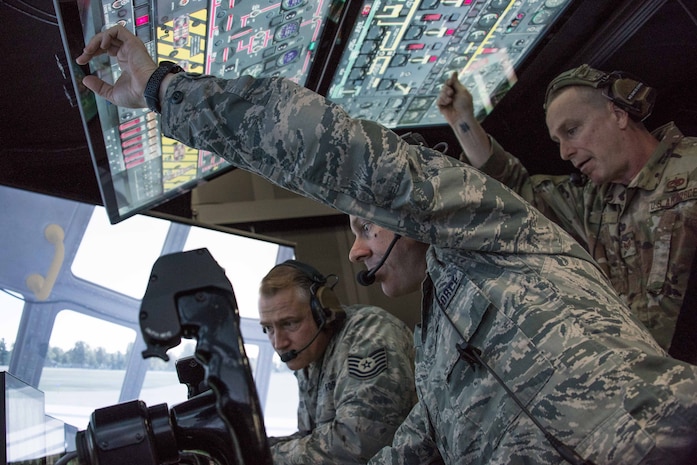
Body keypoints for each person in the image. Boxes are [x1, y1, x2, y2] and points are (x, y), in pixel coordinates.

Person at [76, 26, 697, 464]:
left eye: (366, 227)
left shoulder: (492, 233)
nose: (355, 253)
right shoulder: (434, 347)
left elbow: (320, 142)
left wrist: (162, 90)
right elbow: (407, 452)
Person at [436, 67, 697, 364]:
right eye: (558, 140)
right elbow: (516, 192)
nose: (565, 152)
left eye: (571, 131)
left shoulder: (691, 170)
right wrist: (463, 122)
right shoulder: (594, 201)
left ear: (619, 114)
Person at [258, 260, 417, 464]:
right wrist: (251, 450)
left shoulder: (370, 334)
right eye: (268, 329)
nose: (279, 343)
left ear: (322, 311)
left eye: (289, 323)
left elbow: (356, 443)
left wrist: (262, 459)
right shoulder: (309, 358)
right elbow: (311, 437)